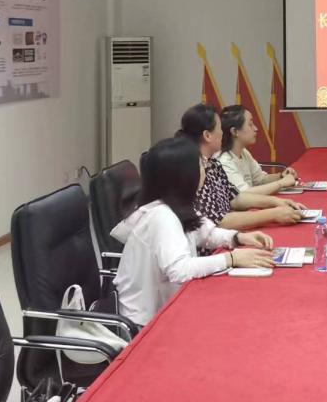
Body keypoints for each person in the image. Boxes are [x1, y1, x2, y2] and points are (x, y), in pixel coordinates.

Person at [111, 136, 275, 325]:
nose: (205, 168)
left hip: (170, 305)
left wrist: (238, 238)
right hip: (147, 323)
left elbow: (207, 234)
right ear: (185, 175)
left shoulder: (178, 205)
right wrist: (231, 258)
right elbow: (180, 270)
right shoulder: (161, 216)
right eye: (200, 164)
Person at [177, 103, 305, 228]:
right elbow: (219, 221)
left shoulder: (213, 164)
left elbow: (236, 198)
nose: (223, 133)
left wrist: (277, 202)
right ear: (207, 135)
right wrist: (273, 214)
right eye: (220, 128)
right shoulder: (193, 169)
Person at [217, 105, 299, 195]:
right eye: (250, 125)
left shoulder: (243, 152)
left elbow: (260, 180)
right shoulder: (223, 161)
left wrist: (281, 176)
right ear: (235, 131)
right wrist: (281, 183)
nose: (256, 129)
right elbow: (244, 194)